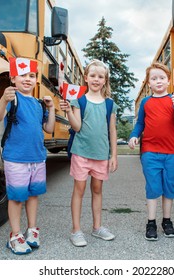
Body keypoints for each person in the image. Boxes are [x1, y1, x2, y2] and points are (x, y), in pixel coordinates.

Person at [0, 57, 55, 254]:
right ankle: (15, 235)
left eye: (32, 75)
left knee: (34, 195)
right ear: (13, 78)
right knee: (17, 198)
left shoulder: (38, 104)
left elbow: (49, 128)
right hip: (16, 158)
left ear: (36, 80)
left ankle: (32, 230)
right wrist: (3, 98)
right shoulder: (13, 99)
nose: (28, 79)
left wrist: (51, 108)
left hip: (37, 158)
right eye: (23, 75)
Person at [60, 59, 118, 247]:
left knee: (97, 190)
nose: (96, 79)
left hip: (101, 155)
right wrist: (69, 111)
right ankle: (76, 230)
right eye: (92, 75)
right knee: (79, 189)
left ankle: (97, 227)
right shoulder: (79, 101)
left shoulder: (109, 104)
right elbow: (76, 127)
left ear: (105, 80)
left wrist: (114, 155)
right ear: (86, 78)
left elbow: (112, 130)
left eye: (100, 76)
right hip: (81, 154)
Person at [128, 62, 174, 241]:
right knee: (153, 187)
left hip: (171, 152)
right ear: (149, 83)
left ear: (169, 80)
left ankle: (167, 221)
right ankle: (151, 222)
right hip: (150, 152)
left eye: (162, 78)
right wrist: (133, 135)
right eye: (154, 78)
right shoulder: (146, 102)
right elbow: (140, 124)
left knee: (169, 188)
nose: (158, 81)